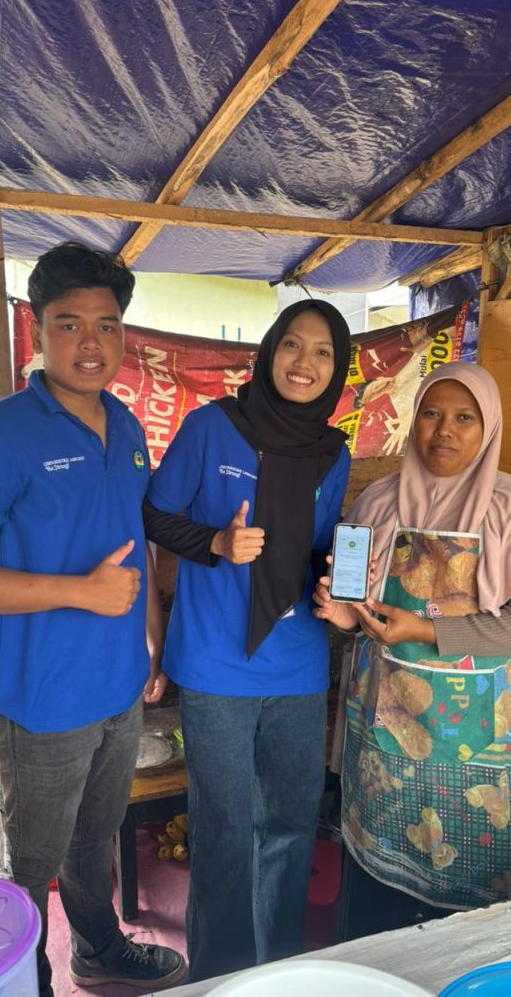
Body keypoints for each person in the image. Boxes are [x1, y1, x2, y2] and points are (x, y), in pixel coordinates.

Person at [0, 242, 186, 996]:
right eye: (69, 324)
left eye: (107, 326)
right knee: (32, 860)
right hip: (40, 698)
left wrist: (151, 642)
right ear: (37, 331)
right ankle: (24, 979)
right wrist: (80, 592)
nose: (90, 342)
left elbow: (134, 544)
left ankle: (98, 950)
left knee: (95, 836)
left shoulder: (127, 428)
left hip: (117, 688)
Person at [314, 361, 511, 938]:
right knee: (374, 908)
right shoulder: (377, 501)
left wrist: (427, 630)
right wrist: (345, 616)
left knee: (468, 924)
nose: (445, 430)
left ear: (489, 428)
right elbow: (361, 613)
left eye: (465, 418)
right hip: (384, 731)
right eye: (432, 413)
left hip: (476, 743)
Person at [143, 301, 352, 982]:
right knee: (225, 830)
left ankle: (277, 974)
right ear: (268, 351)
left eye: (323, 352)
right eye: (292, 344)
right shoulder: (212, 428)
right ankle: (221, 978)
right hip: (217, 664)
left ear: (337, 369)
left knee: (290, 827)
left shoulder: (333, 452)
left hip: (298, 665)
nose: (304, 362)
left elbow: (320, 548)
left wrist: (339, 584)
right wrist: (215, 542)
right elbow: (154, 514)